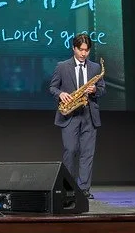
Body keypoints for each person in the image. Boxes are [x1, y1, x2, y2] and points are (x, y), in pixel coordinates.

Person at [49, 33, 106, 199]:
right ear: (74, 48)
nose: (83, 53)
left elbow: (102, 89)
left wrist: (95, 90)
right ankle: (68, 188)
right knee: (70, 150)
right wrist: (60, 94)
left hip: (89, 115)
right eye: (81, 49)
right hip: (70, 115)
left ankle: (84, 189)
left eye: (87, 50)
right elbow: (52, 87)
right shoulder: (62, 66)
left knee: (87, 153)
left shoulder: (95, 68)